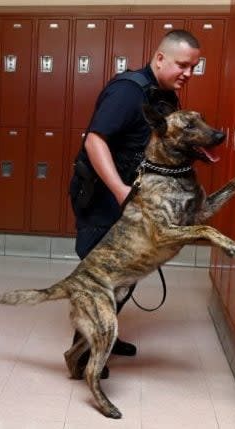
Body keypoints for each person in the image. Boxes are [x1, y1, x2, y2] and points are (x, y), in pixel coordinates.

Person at [68, 30, 201, 376]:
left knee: (124, 276)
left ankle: (105, 337)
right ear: (160, 59)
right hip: (103, 197)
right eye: (182, 65)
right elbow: (95, 141)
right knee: (101, 278)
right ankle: (82, 354)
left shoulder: (166, 97)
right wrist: (119, 191)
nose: (188, 73)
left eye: (194, 67)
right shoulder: (128, 91)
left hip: (134, 199)